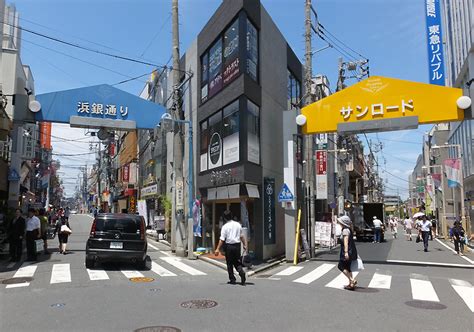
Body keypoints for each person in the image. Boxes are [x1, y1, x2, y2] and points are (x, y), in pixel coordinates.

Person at [214, 211, 247, 285]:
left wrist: (217, 249)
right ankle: (241, 272)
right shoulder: (238, 224)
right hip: (237, 245)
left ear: (225, 218)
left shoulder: (225, 227)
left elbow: (222, 239)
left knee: (229, 263)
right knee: (236, 261)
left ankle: (232, 279)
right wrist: (245, 245)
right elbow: (241, 236)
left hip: (229, 246)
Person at [337, 215, 358, 291]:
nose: (339, 222)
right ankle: (351, 284)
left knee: (340, 266)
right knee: (348, 268)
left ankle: (352, 280)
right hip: (351, 250)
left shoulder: (345, 230)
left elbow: (346, 242)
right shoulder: (349, 229)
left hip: (346, 251)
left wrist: (346, 252)